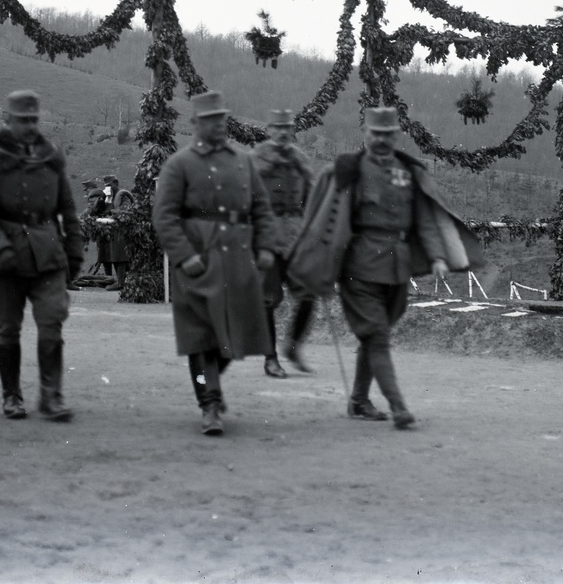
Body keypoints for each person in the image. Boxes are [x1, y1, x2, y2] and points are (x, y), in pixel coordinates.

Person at [291, 107, 480, 430]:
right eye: (375, 133)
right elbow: (329, 221)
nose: (380, 139)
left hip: (397, 268)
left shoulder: (407, 172)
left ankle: (359, 401)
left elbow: (424, 220)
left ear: (396, 136)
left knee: (375, 334)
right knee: (376, 335)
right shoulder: (351, 171)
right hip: (359, 268)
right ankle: (398, 407)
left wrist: (436, 257)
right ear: (365, 133)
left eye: (387, 134)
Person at [151, 90, 282, 436]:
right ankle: (208, 401)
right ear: (195, 124)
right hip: (198, 260)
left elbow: (262, 209)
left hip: (239, 260)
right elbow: (164, 216)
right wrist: (184, 256)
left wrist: (267, 246)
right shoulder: (180, 164)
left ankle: (210, 387)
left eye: (223, 119)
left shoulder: (243, 160)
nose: (219, 125)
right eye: (211, 120)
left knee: (232, 336)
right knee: (201, 338)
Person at [0, 91, 83, 421]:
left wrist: (73, 253)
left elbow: (68, 211)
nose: (30, 126)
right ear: (8, 120)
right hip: (5, 257)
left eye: (34, 120)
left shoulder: (51, 157)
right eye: (23, 120)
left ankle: (51, 396)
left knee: (52, 325)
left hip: (48, 254)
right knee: (7, 329)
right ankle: (12, 395)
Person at [251, 109, 316, 378]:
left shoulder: (300, 161)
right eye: (278, 128)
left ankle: (292, 345)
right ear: (268, 130)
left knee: (309, 292)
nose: (283, 133)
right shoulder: (256, 160)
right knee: (268, 300)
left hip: (295, 236)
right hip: (265, 236)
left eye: (287, 128)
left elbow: (312, 198)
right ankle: (270, 358)